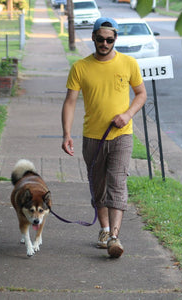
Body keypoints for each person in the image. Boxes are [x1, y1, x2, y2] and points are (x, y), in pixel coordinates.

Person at [61, 17, 147, 258]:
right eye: (100, 39)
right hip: (93, 138)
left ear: (115, 39)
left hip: (121, 135)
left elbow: (141, 94)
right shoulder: (80, 67)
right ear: (93, 38)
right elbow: (70, 102)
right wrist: (67, 134)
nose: (105, 43)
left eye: (109, 40)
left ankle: (114, 237)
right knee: (98, 186)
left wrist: (128, 114)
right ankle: (104, 230)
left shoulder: (129, 63)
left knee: (117, 183)